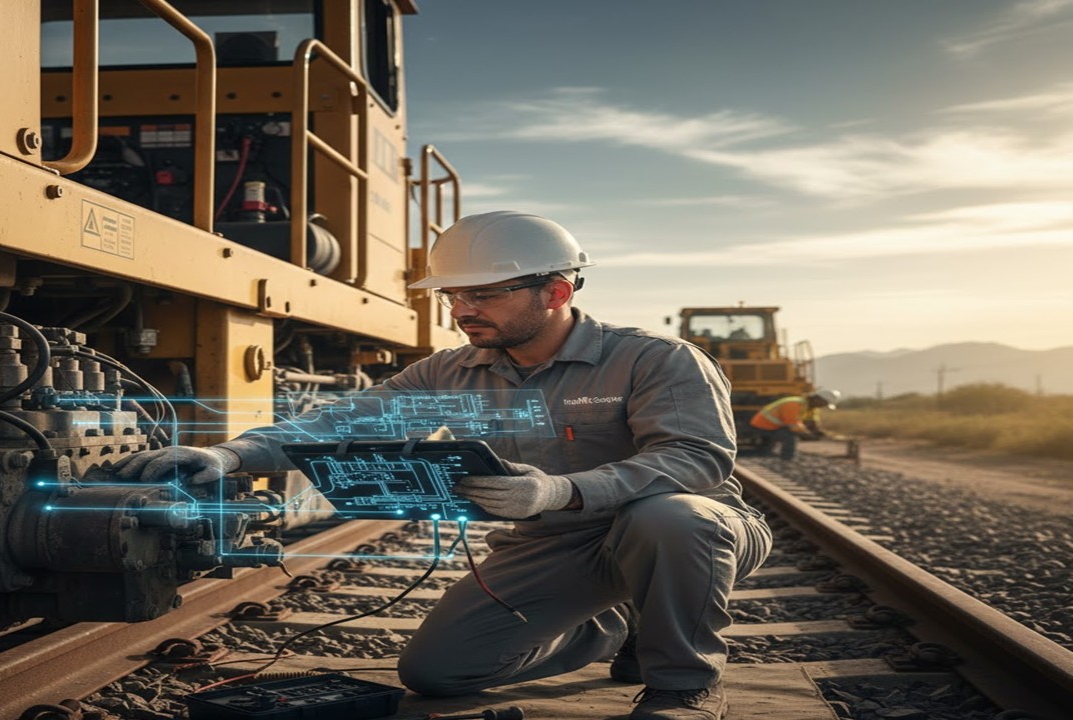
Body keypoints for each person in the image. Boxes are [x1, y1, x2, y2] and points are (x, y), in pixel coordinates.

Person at [113, 211, 773, 720]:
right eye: (452, 296)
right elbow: (342, 422)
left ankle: (684, 688)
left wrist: (558, 490)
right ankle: (613, 622)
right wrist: (227, 453)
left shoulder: (653, 358)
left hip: (680, 530)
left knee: (671, 519)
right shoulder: (451, 370)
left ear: (557, 290)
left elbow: (696, 458)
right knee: (435, 673)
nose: (461, 310)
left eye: (483, 294)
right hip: (560, 546)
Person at [747, 389, 841, 460]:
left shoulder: (811, 408)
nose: (823, 406)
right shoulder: (794, 404)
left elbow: (812, 423)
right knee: (789, 436)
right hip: (763, 426)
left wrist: (820, 432)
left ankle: (771, 452)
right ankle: (786, 459)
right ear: (817, 399)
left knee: (788, 433)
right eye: (824, 403)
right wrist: (809, 435)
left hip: (775, 427)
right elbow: (793, 426)